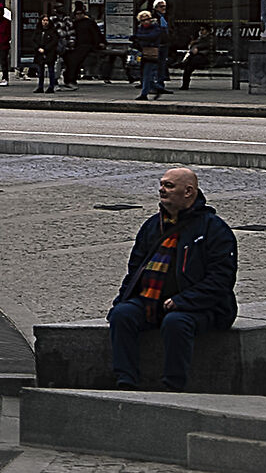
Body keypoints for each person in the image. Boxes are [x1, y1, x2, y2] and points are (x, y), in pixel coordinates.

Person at [107, 167, 238, 390]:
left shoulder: (214, 229)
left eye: (169, 185)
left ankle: (173, 386)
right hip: (152, 301)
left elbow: (221, 280)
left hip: (202, 307)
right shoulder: (152, 226)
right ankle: (126, 382)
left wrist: (183, 301)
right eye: (161, 184)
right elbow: (135, 270)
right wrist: (121, 300)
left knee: (176, 322)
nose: (161, 190)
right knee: (122, 315)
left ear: (188, 192)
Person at [131, 9, 166, 101]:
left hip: (152, 52)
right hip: (142, 52)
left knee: (147, 73)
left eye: (147, 19)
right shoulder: (141, 28)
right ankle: (157, 87)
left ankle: (144, 94)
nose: (146, 21)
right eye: (143, 20)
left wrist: (138, 37)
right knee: (144, 74)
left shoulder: (155, 27)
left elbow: (152, 36)